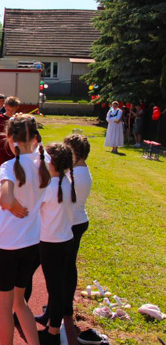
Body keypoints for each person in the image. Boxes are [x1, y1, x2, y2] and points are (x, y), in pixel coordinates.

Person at [0, 114, 50, 345]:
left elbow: (5, 197)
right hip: (31, 243)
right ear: (35, 138)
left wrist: (11, 205)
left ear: (10, 139)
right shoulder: (46, 161)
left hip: (7, 244)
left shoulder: (11, 166)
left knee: (3, 306)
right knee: (20, 302)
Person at [32, 142, 76, 345]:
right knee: (56, 286)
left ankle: (53, 332)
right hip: (65, 239)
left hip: (51, 243)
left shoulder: (50, 188)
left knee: (55, 289)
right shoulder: (66, 182)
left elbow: (31, 208)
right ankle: (51, 321)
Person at [63, 134, 92, 316]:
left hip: (73, 223)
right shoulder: (76, 170)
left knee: (66, 266)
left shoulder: (78, 174)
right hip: (75, 221)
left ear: (75, 152)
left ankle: (63, 305)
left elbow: (66, 198)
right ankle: (62, 303)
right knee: (67, 265)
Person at [0, 96, 21, 171]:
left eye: (12, 110)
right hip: (0, 145)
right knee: (3, 168)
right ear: (5, 106)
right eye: (8, 109)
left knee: (13, 168)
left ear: (16, 108)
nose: (10, 112)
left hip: (13, 146)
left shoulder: (18, 119)